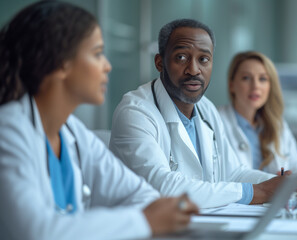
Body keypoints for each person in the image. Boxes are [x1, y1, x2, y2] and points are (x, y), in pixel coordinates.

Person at [0, 2, 197, 239]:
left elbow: (143, 196)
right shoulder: (8, 130)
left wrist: (147, 217)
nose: (107, 66)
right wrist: (143, 221)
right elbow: (38, 231)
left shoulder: (73, 132)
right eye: (97, 53)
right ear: (61, 62)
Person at [109, 19, 297, 209]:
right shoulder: (136, 112)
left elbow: (232, 172)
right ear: (160, 62)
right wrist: (260, 191)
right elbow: (163, 188)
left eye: (204, 59)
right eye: (181, 57)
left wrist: (281, 184)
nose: (194, 69)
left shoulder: (206, 108)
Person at [217, 51, 297, 187]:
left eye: (263, 79)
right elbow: (225, 175)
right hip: (239, 203)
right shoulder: (217, 121)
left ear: (270, 85)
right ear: (231, 85)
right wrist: (275, 181)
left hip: (274, 201)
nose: (255, 86)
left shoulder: (278, 125)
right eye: (246, 78)